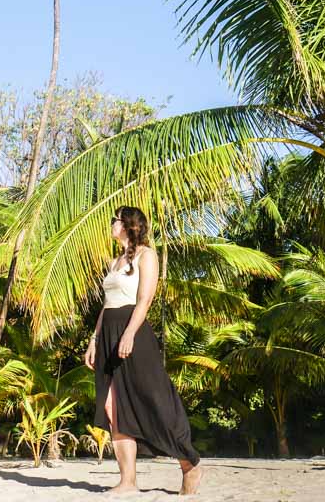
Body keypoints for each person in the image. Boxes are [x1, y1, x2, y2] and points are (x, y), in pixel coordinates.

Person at [84, 205, 202, 496]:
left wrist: (129, 334)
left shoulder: (147, 255)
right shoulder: (114, 262)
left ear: (127, 224)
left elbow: (145, 299)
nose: (111, 224)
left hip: (133, 331)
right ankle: (128, 481)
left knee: (155, 398)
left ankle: (189, 463)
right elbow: (107, 304)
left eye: (115, 220)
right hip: (109, 332)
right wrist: (94, 340)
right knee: (114, 408)